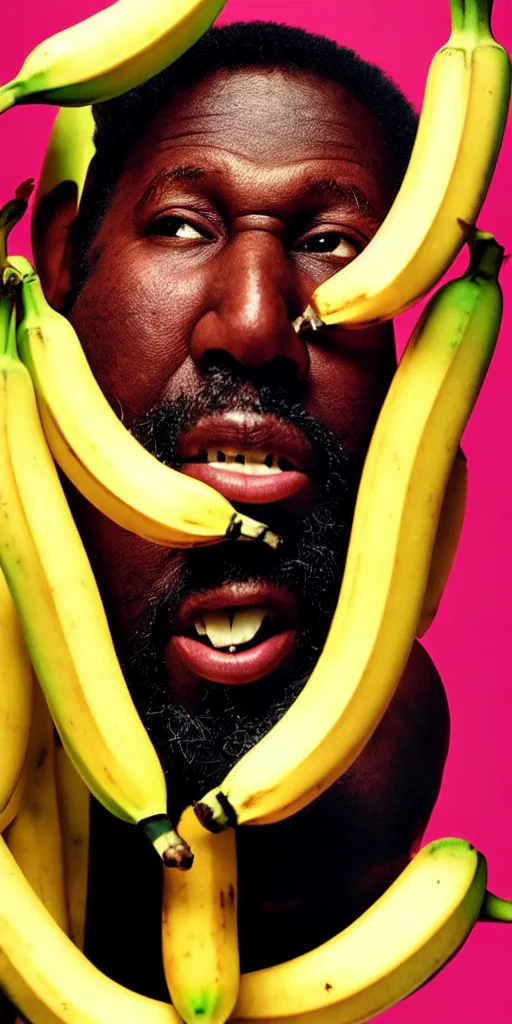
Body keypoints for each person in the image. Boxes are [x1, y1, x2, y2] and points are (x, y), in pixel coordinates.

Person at [12, 19, 451, 1013]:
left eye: (333, 245)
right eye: (180, 225)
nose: (254, 325)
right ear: (60, 260)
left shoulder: (367, 760)